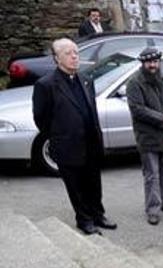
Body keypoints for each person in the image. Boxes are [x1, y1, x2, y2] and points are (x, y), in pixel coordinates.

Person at [32, 38, 115, 236]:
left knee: (94, 182)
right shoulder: (46, 85)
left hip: (91, 141)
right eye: (68, 53)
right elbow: (41, 119)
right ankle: (84, 219)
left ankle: (98, 215)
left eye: (76, 52)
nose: (74, 57)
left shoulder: (85, 79)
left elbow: (91, 109)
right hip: (67, 145)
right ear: (57, 58)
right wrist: (60, 134)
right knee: (76, 187)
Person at [126, 47, 163, 225]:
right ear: (143, 63)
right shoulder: (134, 83)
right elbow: (138, 110)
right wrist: (162, 119)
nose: (153, 65)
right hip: (148, 137)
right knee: (152, 175)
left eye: (155, 61)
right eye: (149, 62)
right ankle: (153, 209)